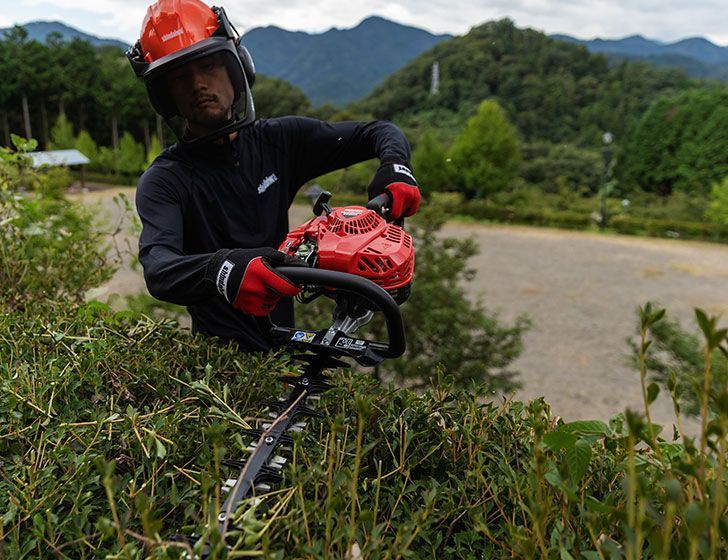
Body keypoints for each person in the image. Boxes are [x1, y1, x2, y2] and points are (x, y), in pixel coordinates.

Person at [127, 0, 421, 352]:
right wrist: (224, 270)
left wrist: (396, 167)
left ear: (237, 67)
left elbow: (378, 132)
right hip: (216, 363)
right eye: (180, 77)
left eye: (207, 66)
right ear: (166, 95)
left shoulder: (280, 142)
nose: (198, 84)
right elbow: (160, 269)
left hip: (285, 350)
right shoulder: (165, 180)